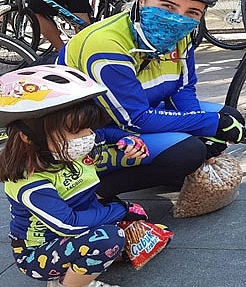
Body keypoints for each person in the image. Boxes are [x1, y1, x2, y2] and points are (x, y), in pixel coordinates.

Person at [56, 0, 246, 199]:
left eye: (193, 12)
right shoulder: (106, 46)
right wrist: (208, 125)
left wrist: (204, 128)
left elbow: (184, 89)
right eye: (168, 6)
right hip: (91, 134)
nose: (179, 18)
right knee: (188, 151)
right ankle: (92, 190)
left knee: (228, 117)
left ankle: (168, 168)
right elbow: (135, 120)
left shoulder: (181, 35)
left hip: (133, 116)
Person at [0, 65, 150, 287]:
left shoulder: (65, 147)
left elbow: (106, 134)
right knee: (110, 239)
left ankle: (82, 263)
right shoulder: (30, 182)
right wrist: (122, 209)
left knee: (132, 233)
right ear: (27, 137)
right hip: (37, 252)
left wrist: (127, 140)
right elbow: (67, 225)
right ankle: (66, 284)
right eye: (76, 131)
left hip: (75, 226)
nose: (88, 137)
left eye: (88, 128)